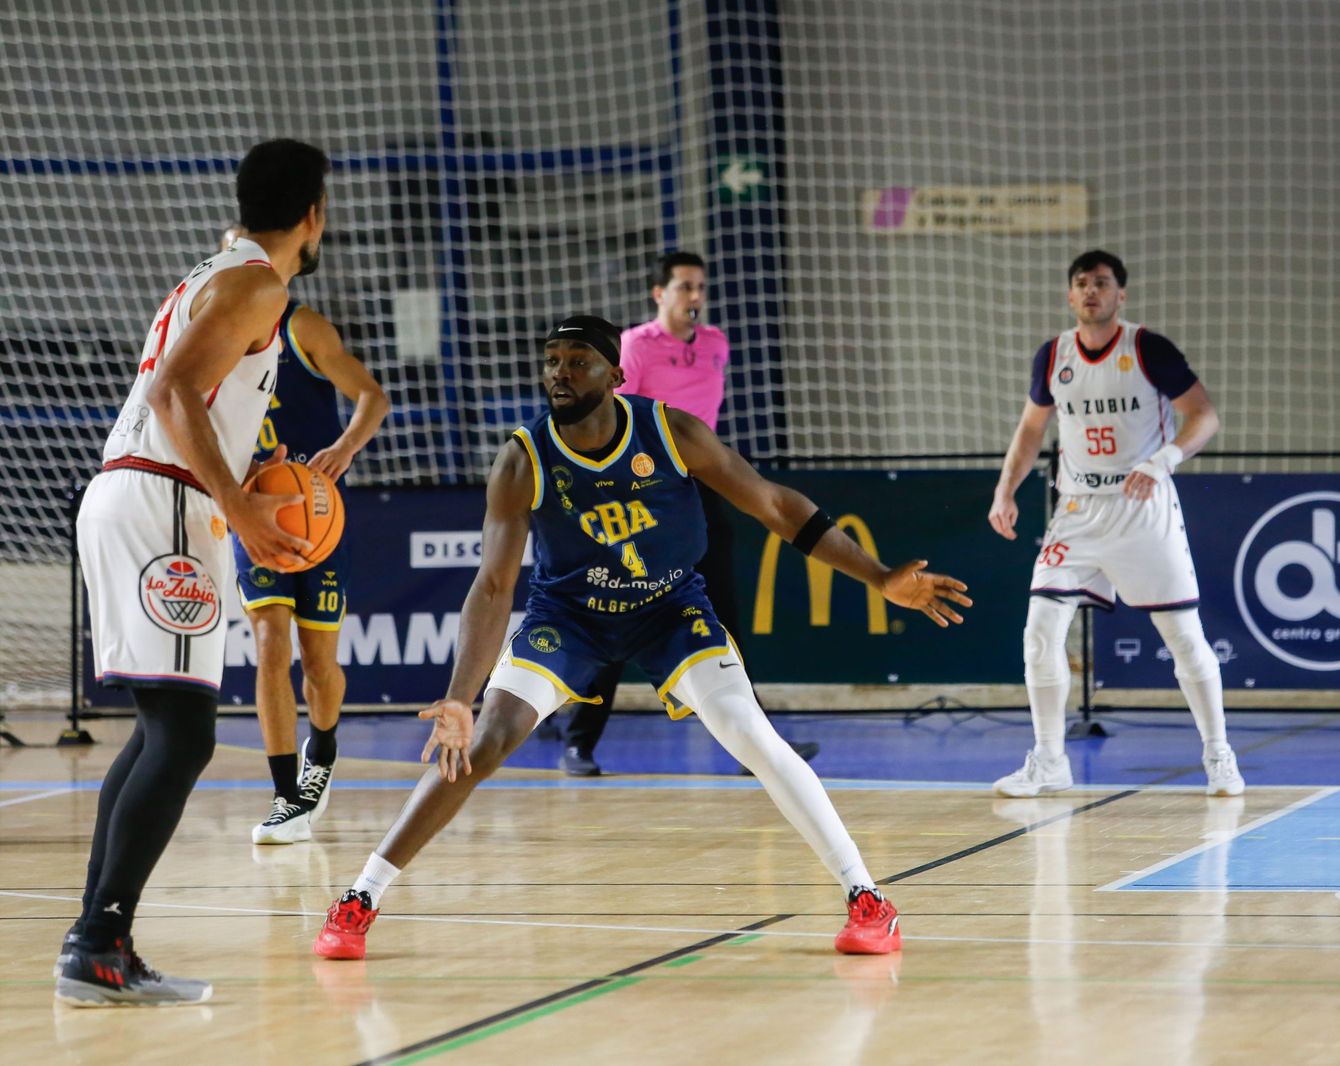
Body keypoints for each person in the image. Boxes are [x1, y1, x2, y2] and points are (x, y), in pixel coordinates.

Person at [313, 315, 970, 960]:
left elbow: (773, 504)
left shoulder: (672, 430)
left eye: (577, 361)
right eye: (552, 361)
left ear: (616, 374)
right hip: (569, 616)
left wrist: (879, 575)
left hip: (669, 609)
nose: (559, 374)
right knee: (481, 742)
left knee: (752, 735)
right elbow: (492, 586)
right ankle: (359, 899)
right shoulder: (523, 458)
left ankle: (868, 900)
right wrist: (461, 694)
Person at [58, 139, 329, 1006]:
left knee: (155, 730)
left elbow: (191, 395)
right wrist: (243, 508)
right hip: (163, 502)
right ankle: (99, 941)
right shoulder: (258, 285)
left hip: (139, 493)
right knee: (185, 734)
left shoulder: (217, 274)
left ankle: (100, 940)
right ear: (314, 213)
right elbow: (176, 390)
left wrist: (247, 471)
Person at [988, 249, 1243, 799]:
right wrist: (1005, 489)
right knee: (1039, 633)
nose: (1090, 292)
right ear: (1069, 294)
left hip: (1142, 508)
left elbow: (1206, 415)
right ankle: (1050, 760)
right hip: (1076, 511)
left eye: (1101, 283)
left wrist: (1164, 459)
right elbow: (1032, 429)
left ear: (1119, 294)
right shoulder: (1053, 355)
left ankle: (1219, 754)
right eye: (1081, 283)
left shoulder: (1147, 347)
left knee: (1183, 636)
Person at [556, 251, 818, 775]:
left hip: (702, 489)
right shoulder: (633, 346)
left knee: (722, 618)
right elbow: (612, 420)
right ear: (659, 294)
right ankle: (577, 742)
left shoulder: (717, 344)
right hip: (641, 496)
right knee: (615, 611)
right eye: (683, 287)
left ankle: (755, 746)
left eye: (700, 287)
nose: (694, 297)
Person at [219, 224, 390, 844]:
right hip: (252, 511)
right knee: (269, 646)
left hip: (313, 511)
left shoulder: (303, 327)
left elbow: (371, 397)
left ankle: (323, 750)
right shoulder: (212, 330)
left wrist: (344, 447)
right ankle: (286, 794)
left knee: (319, 662)